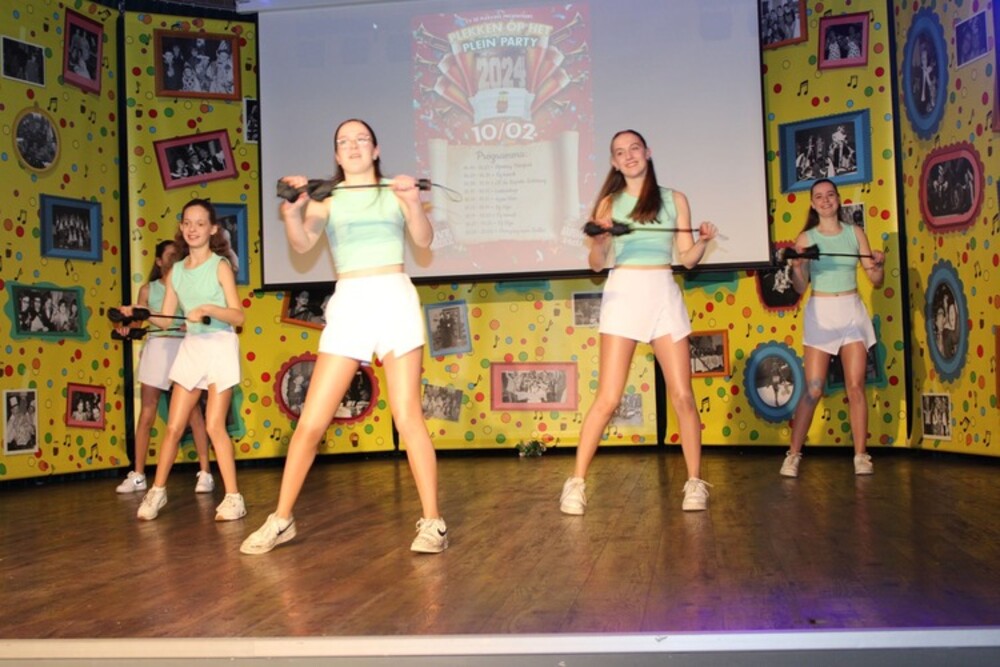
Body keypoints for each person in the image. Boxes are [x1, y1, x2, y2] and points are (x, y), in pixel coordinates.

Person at [241, 118, 446, 555]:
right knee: (312, 421)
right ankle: (281, 519)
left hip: (393, 296)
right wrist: (292, 213)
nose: (353, 146)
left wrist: (413, 204)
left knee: (408, 416)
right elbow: (302, 245)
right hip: (351, 302)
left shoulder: (395, 190)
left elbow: (424, 241)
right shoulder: (326, 198)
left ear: (375, 149)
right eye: (344, 142)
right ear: (336, 155)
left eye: (361, 139)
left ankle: (433, 523)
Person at [559, 129, 718, 515]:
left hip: (663, 291)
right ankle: (575, 483)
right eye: (620, 152)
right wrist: (600, 242)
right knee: (608, 397)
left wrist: (703, 241)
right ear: (614, 162)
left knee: (682, 395)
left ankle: (694, 482)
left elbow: (687, 259)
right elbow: (596, 265)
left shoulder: (675, 199)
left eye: (634, 148)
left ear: (647, 152)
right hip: (625, 292)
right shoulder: (609, 203)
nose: (628, 155)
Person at [119, 199, 245, 521]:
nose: (192, 229)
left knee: (214, 424)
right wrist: (139, 313)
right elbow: (166, 320)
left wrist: (208, 309)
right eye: (187, 222)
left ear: (212, 229)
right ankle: (157, 491)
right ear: (181, 227)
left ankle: (233, 498)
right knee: (174, 425)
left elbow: (238, 316)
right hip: (192, 346)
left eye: (200, 223)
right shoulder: (176, 271)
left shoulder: (220, 266)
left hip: (220, 344)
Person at [780, 179, 884, 478]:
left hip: (851, 312)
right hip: (821, 314)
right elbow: (800, 287)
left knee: (855, 386)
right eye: (819, 197)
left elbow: (875, 279)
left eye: (830, 195)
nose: (825, 200)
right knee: (813, 388)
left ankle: (861, 455)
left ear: (838, 199)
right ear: (812, 204)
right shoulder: (806, 238)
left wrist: (878, 263)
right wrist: (798, 267)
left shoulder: (855, 233)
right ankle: (793, 454)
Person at [114, 239, 215, 496]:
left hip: (182, 347)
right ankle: (138, 474)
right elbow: (137, 323)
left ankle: (205, 473)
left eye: (175, 255)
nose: (172, 259)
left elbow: (195, 317)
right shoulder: (148, 290)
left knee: (193, 413)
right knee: (147, 413)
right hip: (157, 348)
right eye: (168, 256)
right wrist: (126, 326)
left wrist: (189, 324)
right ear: (158, 261)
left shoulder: (185, 284)